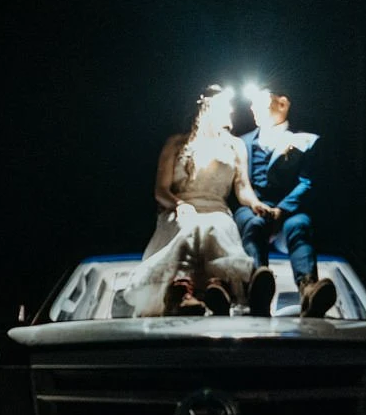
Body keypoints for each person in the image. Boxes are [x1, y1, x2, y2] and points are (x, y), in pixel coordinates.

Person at [125, 85, 262, 317]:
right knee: (190, 227)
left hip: (217, 209)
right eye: (225, 105)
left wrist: (257, 205)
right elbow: (161, 190)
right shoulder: (176, 144)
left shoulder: (235, 146)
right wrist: (179, 204)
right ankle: (181, 292)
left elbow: (242, 187)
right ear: (208, 107)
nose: (230, 111)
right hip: (180, 208)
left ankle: (217, 289)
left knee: (217, 227)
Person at [235, 84, 335, 318]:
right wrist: (256, 205)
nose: (253, 108)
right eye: (252, 103)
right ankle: (257, 287)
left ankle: (309, 289)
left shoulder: (306, 141)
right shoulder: (241, 142)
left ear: (283, 103)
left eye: (261, 101)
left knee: (299, 226)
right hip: (253, 207)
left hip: (289, 210)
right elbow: (239, 181)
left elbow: (307, 182)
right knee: (253, 225)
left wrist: (282, 209)